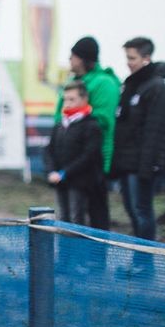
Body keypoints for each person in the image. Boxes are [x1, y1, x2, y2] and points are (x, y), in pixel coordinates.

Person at [54, 36, 121, 231]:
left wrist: (75, 119)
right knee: (68, 214)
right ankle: (71, 258)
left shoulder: (104, 83)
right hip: (68, 161)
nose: (70, 60)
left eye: (73, 56)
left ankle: (96, 259)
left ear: (83, 58)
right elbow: (59, 116)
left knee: (95, 212)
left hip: (94, 159)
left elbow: (104, 119)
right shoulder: (72, 82)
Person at [111, 37, 165, 243]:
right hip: (126, 161)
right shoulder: (130, 85)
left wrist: (148, 166)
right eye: (127, 58)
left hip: (141, 163)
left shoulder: (157, 88)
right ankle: (139, 257)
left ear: (146, 58)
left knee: (142, 211)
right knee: (131, 210)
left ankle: (145, 262)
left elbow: (154, 131)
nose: (129, 62)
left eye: (132, 58)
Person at [44, 82, 103, 225]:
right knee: (63, 217)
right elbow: (49, 149)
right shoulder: (60, 124)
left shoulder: (91, 125)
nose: (67, 103)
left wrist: (65, 172)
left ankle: (77, 247)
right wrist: (52, 171)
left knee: (77, 218)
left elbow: (89, 155)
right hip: (60, 180)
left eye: (72, 99)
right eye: (65, 99)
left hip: (79, 181)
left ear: (84, 99)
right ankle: (65, 247)